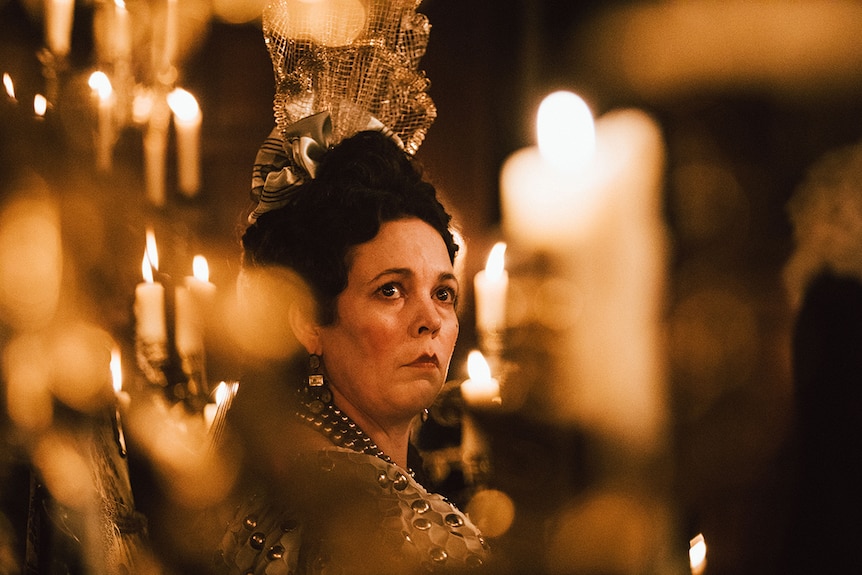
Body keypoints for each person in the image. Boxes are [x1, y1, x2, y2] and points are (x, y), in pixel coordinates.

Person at [213, 123, 488, 574]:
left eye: (443, 293)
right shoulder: (388, 527)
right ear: (308, 322)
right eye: (391, 291)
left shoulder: (267, 480)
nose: (430, 320)